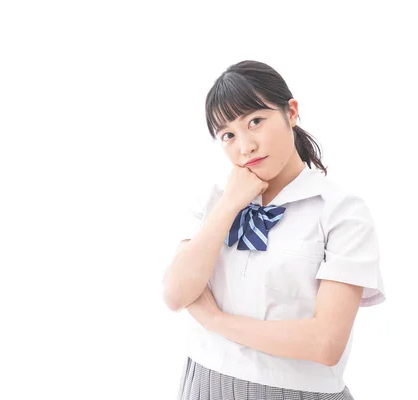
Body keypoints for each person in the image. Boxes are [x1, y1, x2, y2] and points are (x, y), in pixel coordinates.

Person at [161, 60, 386, 400]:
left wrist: (214, 320)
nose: (245, 146)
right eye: (228, 135)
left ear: (291, 112)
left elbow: (325, 343)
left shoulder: (341, 211)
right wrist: (229, 206)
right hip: (202, 385)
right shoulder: (213, 201)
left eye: (256, 121)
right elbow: (175, 295)